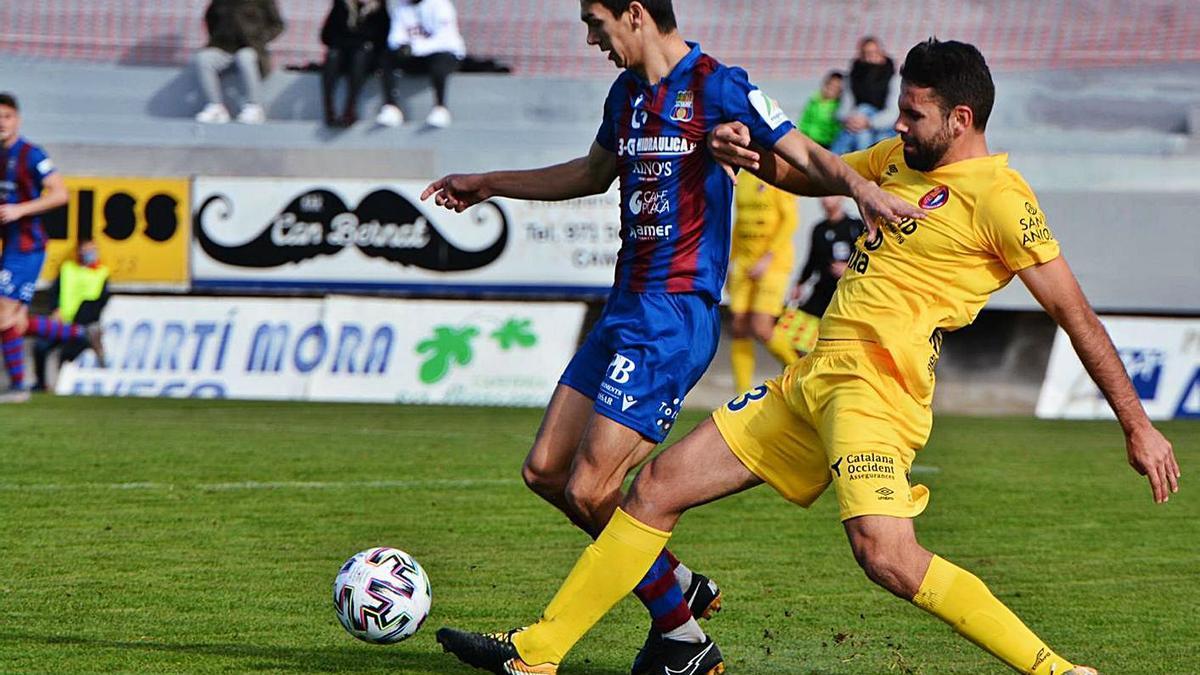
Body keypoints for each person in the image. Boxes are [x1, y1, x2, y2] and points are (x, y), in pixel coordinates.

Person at [433, 38, 1182, 675]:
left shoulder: (1001, 199)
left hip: (876, 393)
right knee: (654, 486)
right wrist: (744, 153)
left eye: (914, 112)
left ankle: (1056, 669)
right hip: (812, 379)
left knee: (886, 556)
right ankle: (540, 651)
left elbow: (1073, 311)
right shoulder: (896, 159)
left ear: (961, 119)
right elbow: (804, 171)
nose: (898, 122)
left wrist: (1136, 424)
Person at [425, 1, 923, 673]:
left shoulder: (718, 84)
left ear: (633, 13)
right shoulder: (626, 93)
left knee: (592, 489)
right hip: (623, 309)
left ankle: (660, 637)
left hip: (673, 317)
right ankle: (679, 593)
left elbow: (799, 147)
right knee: (545, 470)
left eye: (595, 24)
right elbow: (590, 173)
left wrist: (861, 188)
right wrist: (489, 184)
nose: (591, 39)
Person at [0, 92, 69, 403]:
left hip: (26, 245)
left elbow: (60, 194)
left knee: (2, 315)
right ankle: (81, 334)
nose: (1, 123)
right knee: (18, 322)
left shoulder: (31, 154)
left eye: (7, 117)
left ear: (18, 120)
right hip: (9, 245)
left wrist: (20, 209)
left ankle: (19, 387)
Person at [727, 173, 800, 393]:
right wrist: (732, 263)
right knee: (739, 326)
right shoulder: (742, 177)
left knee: (761, 326)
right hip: (744, 262)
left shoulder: (776, 175)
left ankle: (799, 372)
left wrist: (768, 257)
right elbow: (740, 222)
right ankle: (741, 392)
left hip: (772, 264)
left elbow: (790, 220)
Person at [776, 195, 865, 355]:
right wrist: (799, 284)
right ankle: (794, 371)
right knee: (791, 335)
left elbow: (869, 257)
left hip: (845, 294)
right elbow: (812, 260)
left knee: (837, 341)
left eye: (831, 195)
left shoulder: (855, 226)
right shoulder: (819, 229)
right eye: (822, 196)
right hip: (821, 292)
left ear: (842, 198)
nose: (825, 200)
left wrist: (849, 268)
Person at [30, 238, 110, 391]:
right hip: (63, 323)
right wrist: (55, 309)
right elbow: (54, 292)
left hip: (84, 326)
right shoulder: (68, 269)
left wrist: (83, 320)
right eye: (86, 249)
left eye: (92, 249)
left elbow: (100, 302)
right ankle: (41, 384)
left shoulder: (101, 273)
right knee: (40, 347)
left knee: (69, 352)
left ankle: (66, 386)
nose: (89, 253)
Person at [193, 0, 286, 125]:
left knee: (245, 57)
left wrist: (259, 38)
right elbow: (210, 18)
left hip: (252, 48)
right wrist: (218, 37)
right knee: (203, 58)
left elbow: (277, 25)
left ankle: (254, 107)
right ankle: (216, 107)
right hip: (224, 48)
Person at [377, 0, 466, 128]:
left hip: (445, 53)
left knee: (440, 61)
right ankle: (391, 107)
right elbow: (395, 36)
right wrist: (402, 47)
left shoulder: (440, 5)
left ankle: (440, 108)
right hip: (416, 55)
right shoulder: (401, 7)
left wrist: (415, 48)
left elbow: (444, 39)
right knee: (387, 57)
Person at [320, 0, 390, 127]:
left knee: (360, 56)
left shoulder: (379, 9)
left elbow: (381, 38)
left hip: (366, 57)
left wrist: (360, 42)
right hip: (343, 53)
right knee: (333, 55)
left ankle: (350, 107)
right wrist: (351, 42)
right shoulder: (342, 6)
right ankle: (329, 108)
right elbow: (327, 35)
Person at [829, 36, 896, 154]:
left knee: (863, 115)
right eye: (866, 54)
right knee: (861, 123)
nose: (871, 57)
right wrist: (850, 119)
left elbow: (893, 113)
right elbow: (843, 108)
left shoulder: (893, 78)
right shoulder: (853, 77)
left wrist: (869, 122)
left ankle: (835, 161)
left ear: (882, 53)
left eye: (874, 53)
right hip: (856, 122)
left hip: (883, 126)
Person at [797, 70, 843, 149]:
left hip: (826, 144)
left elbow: (837, 129)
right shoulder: (814, 101)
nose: (831, 89)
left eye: (836, 87)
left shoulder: (839, 106)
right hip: (808, 140)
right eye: (830, 85)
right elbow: (804, 120)